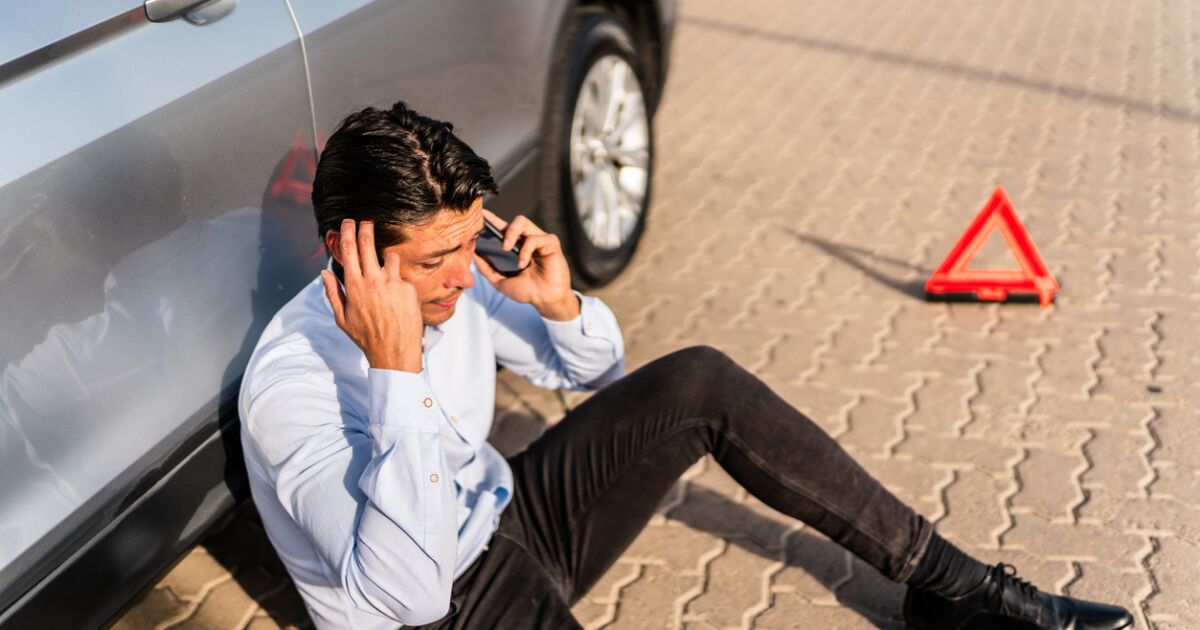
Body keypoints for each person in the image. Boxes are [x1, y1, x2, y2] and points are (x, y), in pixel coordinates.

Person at [238, 102, 1134, 630]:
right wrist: (395, 376)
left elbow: (600, 371)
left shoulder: (457, 285)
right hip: (442, 607)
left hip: (512, 518)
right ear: (348, 250)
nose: (465, 275)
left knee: (697, 380)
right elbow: (411, 593)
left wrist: (560, 305)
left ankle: (957, 589)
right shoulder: (291, 385)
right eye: (439, 258)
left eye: (471, 244)